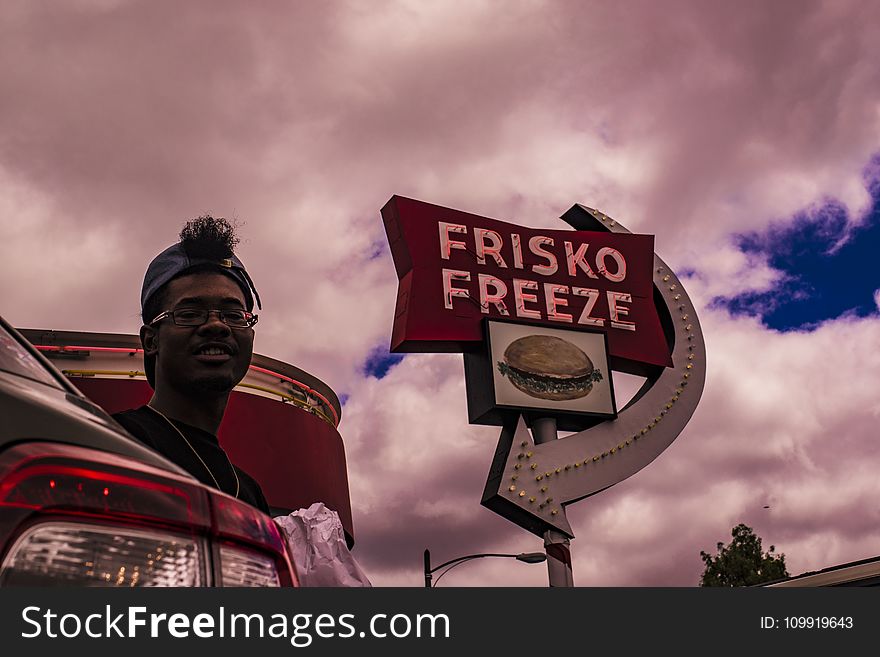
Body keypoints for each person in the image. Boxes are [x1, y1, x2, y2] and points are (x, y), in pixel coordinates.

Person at [113, 216, 270, 514]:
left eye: (234, 315)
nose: (216, 325)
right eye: (189, 313)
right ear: (150, 341)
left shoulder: (249, 492)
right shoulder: (114, 441)